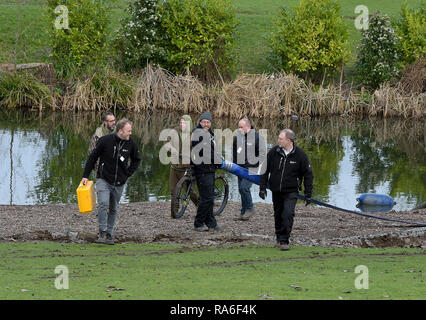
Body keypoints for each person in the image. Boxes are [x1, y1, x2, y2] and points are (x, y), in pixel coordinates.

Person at [81, 118, 141, 245]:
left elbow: (137, 160)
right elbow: (92, 157)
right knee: (103, 203)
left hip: (119, 183)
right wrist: (85, 176)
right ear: (120, 131)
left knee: (113, 208)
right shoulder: (105, 140)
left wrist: (127, 174)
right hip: (103, 179)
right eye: (128, 131)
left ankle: (109, 234)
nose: (130, 133)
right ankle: (102, 232)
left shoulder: (131, 144)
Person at [259, 129, 313, 251]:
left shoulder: (300, 155)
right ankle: (278, 238)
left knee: (288, 214)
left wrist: (308, 193)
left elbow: (308, 174)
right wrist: (262, 188)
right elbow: (264, 170)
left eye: (280, 139)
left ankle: (284, 240)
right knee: (278, 215)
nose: (278, 140)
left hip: (291, 191)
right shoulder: (274, 152)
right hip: (276, 190)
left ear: (289, 140)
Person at [191, 111, 222, 232]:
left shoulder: (209, 133)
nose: (206, 124)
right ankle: (198, 223)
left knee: (209, 198)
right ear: (200, 122)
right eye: (204, 122)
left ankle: (211, 223)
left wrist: (218, 158)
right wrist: (219, 161)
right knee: (206, 198)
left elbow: (212, 150)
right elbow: (206, 151)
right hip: (202, 169)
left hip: (209, 169)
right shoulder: (198, 134)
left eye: (208, 122)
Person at [232, 118, 266, 220]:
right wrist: (235, 166)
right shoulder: (237, 138)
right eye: (238, 127)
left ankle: (250, 208)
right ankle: (243, 212)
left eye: (241, 127)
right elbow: (234, 152)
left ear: (248, 127)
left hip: (252, 169)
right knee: (240, 189)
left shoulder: (257, 138)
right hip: (240, 168)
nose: (239, 129)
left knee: (244, 188)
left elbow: (263, 154)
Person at [169, 115, 198, 217]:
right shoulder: (175, 132)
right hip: (174, 166)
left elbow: (196, 149)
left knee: (188, 190)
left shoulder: (193, 135)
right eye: (181, 122)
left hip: (186, 167)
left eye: (184, 123)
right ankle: (175, 211)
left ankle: (199, 205)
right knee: (173, 190)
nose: (182, 125)